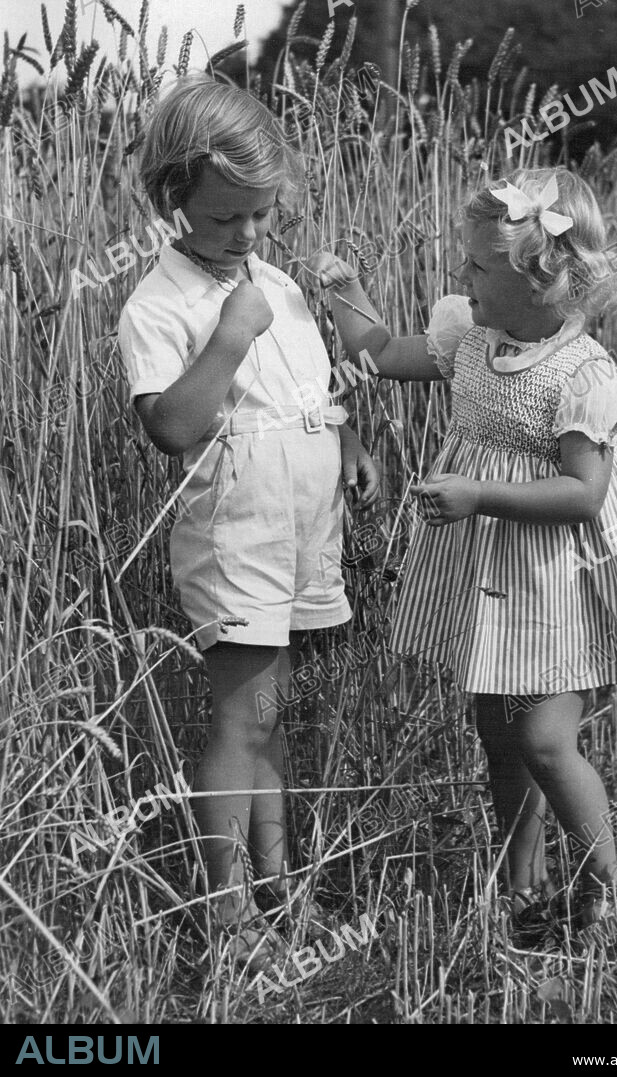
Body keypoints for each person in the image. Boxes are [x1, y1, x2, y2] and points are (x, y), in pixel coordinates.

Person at [306, 167, 617, 933]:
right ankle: (521, 884)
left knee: (545, 737)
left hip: (559, 580)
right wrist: (344, 290)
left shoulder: (585, 375)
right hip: (490, 580)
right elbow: (378, 352)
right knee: (498, 731)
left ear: (544, 283)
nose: (462, 276)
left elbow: (582, 493)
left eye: (479, 266)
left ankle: (605, 880)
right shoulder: (473, 341)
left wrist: (479, 496)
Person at [117, 74, 379, 967]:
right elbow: (172, 429)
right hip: (236, 533)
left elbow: (310, 388)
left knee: (271, 716)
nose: (249, 234)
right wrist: (228, 335)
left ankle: (277, 890)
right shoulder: (160, 305)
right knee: (241, 716)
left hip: (307, 526)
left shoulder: (276, 280)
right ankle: (228, 916)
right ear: (171, 200)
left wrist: (345, 445)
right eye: (227, 217)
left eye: (261, 214)